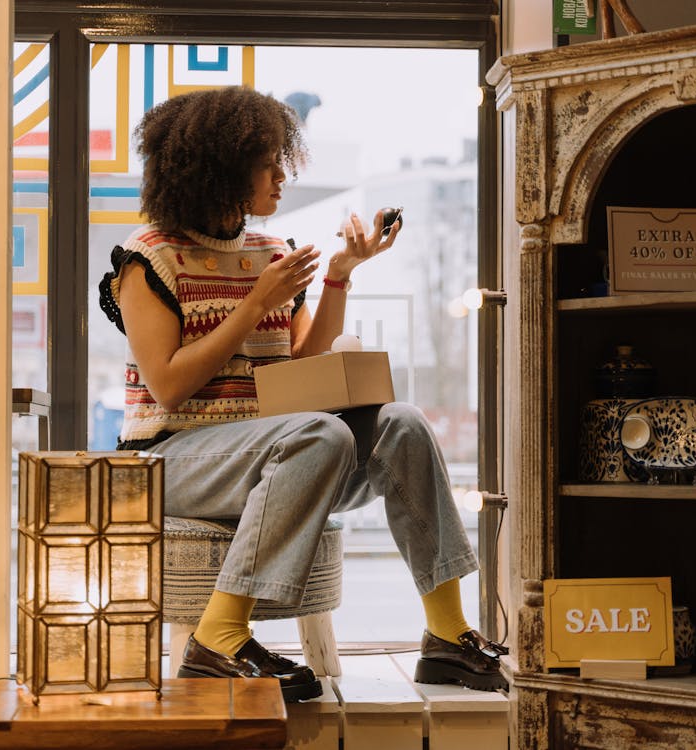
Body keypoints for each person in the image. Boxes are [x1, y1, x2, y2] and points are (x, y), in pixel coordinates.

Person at [98, 86, 506, 702]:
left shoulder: (270, 253)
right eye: (269, 164)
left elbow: (299, 368)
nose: (282, 177)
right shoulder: (146, 260)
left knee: (403, 422)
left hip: (274, 451)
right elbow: (170, 384)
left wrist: (339, 276)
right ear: (223, 170)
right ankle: (219, 639)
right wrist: (255, 304)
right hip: (171, 459)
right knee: (320, 432)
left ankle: (446, 635)